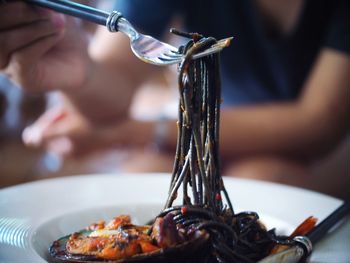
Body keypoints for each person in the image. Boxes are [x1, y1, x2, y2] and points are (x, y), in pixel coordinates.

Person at [0, 0, 350, 197]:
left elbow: (317, 123)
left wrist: (130, 132)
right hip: (215, 130)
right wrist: (79, 73)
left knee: (260, 182)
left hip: (333, 151)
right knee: (144, 183)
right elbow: (113, 79)